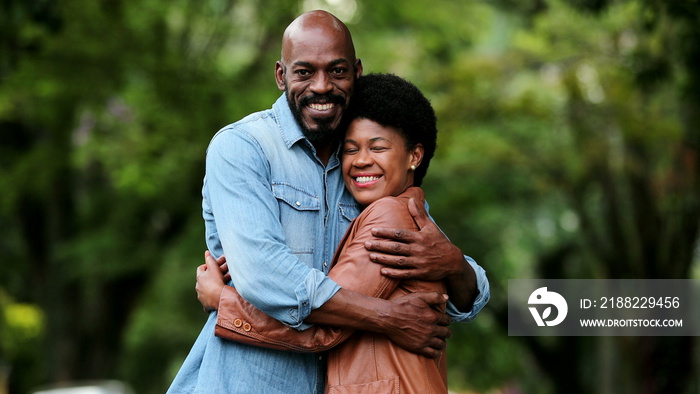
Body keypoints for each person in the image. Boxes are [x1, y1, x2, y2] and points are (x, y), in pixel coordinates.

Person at [168, 10, 489, 394]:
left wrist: (453, 264)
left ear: (356, 71)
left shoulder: (364, 167)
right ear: (280, 74)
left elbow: (454, 290)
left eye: (337, 71)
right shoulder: (243, 147)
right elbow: (265, 277)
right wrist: (385, 317)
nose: (321, 86)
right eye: (304, 72)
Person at [197, 73, 464, 393]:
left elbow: (323, 330)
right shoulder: (409, 216)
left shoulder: (388, 216)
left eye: (377, 148)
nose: (362, 160)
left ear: (414, 156)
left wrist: (222, 300)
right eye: (350, 150)